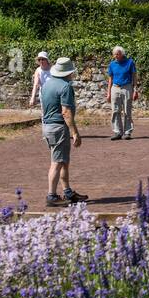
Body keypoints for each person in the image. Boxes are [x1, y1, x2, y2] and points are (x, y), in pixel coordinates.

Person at [39, 57, 87, 207]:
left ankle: (67, 192)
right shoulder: (65, 86)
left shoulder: (47, 84)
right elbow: (66, 112)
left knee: (63, 161)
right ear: (68, 73)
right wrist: (75, 132)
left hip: (48, 126)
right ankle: (52, 196)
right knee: (57, 162)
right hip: (59, 127)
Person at [106, 45, 138, 141]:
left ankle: (127, 132)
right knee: (115, 111)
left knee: (127, 111)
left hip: (127, 87)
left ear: (122, 54)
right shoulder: (112, 64)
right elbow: (110, 79)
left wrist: (135, 90)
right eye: (115, 54)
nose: (116, 56)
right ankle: (117, 132)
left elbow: (134, 77)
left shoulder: (130, 62)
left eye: (118, 54)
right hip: (115, 88)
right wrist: (108, 92)